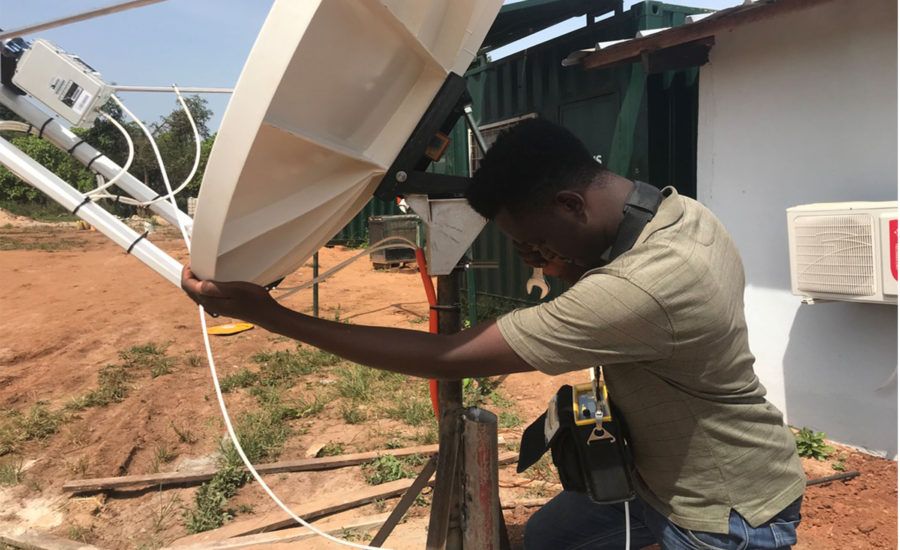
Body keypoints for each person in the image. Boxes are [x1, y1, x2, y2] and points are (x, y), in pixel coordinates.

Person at [182, 118, 805, 549]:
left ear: (570, 204)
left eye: (532, 241)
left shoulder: (643, 287)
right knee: (551, 537)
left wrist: (271, 315)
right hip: (653, 473)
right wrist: (570, 258)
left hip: (721, 511)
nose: (534, 258)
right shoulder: (674, 211)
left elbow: (448, 355)